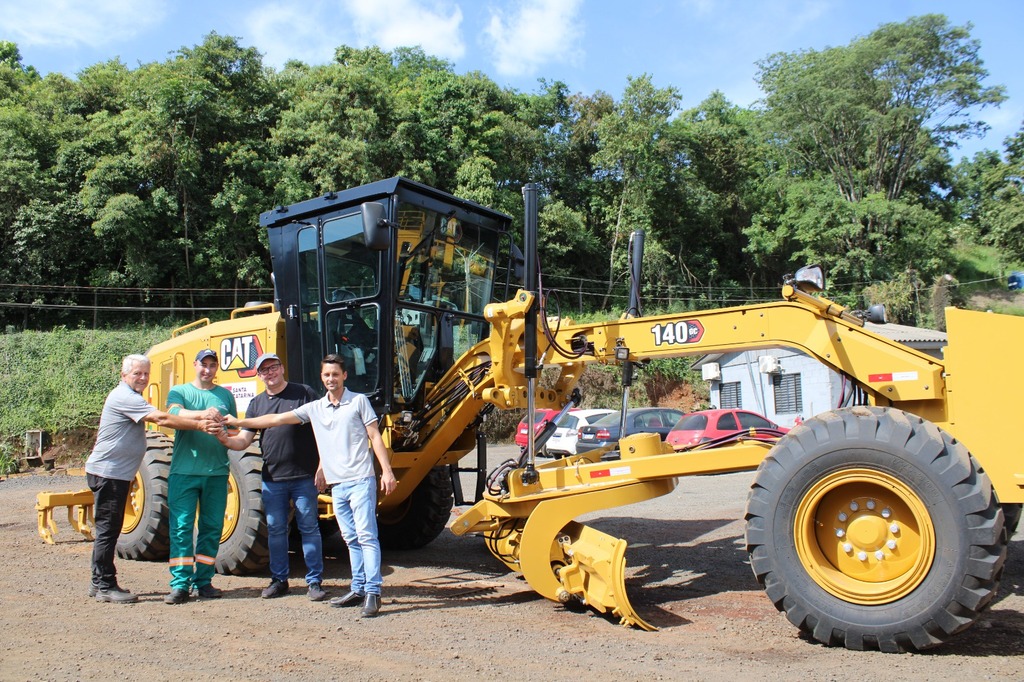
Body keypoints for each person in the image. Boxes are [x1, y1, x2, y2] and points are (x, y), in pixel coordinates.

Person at [225, 354, 396, 617]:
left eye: (335, 374)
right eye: (327, 375)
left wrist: (386, 471)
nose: (331, 379)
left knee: (366, 536)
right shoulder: (315, 408)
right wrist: (237, 423)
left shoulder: (358, 401)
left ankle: (373, 592)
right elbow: (274, 420)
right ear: (322, 377)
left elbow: (374, 435)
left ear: (344, 376)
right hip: (337, 484)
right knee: (350, 538)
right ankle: (358, 588)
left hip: (361, 480)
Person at [84, 354, 220, 604]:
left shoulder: (131, 397)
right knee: (108, 531)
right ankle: (104, 584)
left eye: (146, 373)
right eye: (137, 373)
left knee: (108, 529)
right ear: (124, 375)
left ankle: (98, 582)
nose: (143, 378)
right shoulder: (125, 397)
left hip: (113, 473)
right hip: (109, 473)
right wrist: (200, 424)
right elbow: (162, 418)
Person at [218, 352, 326, 602]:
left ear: (282, 368)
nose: (270, 372)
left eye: (274, 367)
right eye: (264, 370)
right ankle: (279, 580)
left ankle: (314, 582)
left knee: (309, 527)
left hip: (304, 477)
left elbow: (323, 429)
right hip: (272, 479)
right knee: (276, 530)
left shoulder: (304, 393)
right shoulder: (256, 404)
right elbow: (244, 440)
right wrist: (223, 437)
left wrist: (322, 466)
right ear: (259, 376)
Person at [163, 348, 238, 605]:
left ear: (217, 368)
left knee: (211, 528)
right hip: (184, 472)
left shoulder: (225, 395)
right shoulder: (180, 392)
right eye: (203, 364)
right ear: (195, 365)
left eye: (212, 365)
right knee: (182, 527)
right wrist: (202, 415)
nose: (207, 369)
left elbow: (235, 427)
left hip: (216, 473)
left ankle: (204, 581)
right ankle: (180, 584)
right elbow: (172, 415)